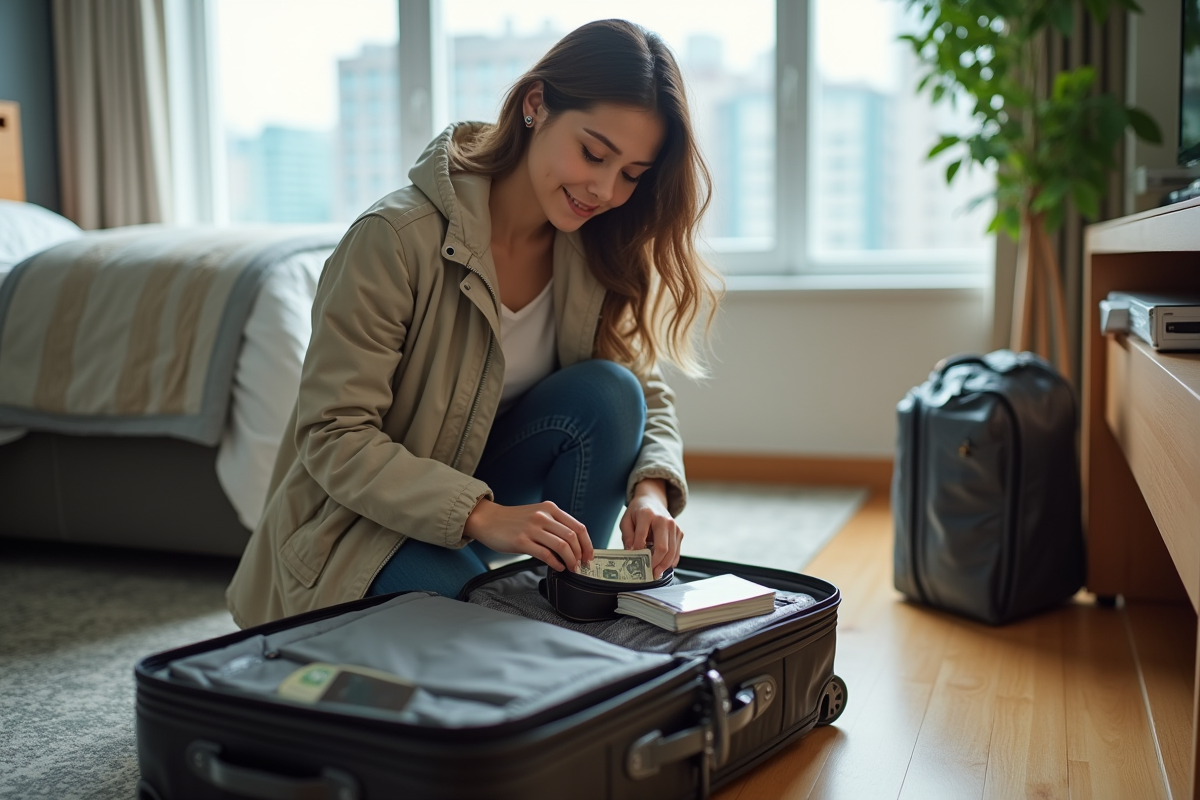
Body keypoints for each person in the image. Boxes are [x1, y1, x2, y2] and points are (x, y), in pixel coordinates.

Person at [226, 19, 719, 629]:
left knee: (609, 393)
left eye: (631, 175)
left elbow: (643, 389)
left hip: (486, 497)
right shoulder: (394, 240)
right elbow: (333, 435)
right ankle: (542, 622)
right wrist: (484, 516)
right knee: (492, 626)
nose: (604, 189)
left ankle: (569, 596)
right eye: (594, 153)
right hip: (362, 527)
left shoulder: (593, 246)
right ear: (536, 104)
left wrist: (651, 490)